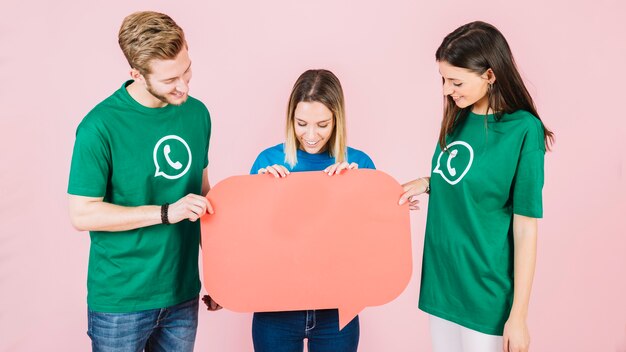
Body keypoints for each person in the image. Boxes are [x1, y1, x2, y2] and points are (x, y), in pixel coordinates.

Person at [68, 11, 220, 351]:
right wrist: (166, 212)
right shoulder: (99, 127)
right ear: (136, 74)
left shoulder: (197, 114)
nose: (183, 86)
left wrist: (222, 276)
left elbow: (204, 196)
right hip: (121, 300)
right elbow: (82, 213)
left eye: (187, 70)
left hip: (182, 294)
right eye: (170, 80)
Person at [399, 21, 554, 352]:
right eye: (443, 79)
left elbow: (526, 227)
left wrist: (518, 316)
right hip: (442, 285)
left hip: (485, 295)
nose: (446, 90)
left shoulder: (524, 131)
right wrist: (427, 183)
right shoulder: (459, 115)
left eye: (455, 81)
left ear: (490, 75)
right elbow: (467, 180)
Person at [249, 69, 375, 352]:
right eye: (301, 123)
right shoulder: (267, 161)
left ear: (337, 120)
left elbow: (371, 246)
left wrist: (356, 191)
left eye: (322, 124)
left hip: (337, 310)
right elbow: (252, 243)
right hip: (275, 308)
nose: (311, 135)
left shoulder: (359, 164)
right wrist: (262, 194)